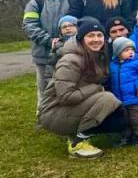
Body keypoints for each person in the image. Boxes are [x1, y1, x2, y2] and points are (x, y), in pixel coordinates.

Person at [37, 18, 126, 158]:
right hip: (53, 111)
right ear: (81, 39)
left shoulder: (98, 56)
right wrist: (96, 88)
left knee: (118, 118)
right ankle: (77, 142)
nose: (96, 39)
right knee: (107, 98)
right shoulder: (70, 61)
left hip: (72, 105)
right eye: (90, 36)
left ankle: (78, 132)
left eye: (99, 35)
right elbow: (65, 96)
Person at [22, 0, 71, 104]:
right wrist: (48, 41)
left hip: (66, 52)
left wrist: (64, 42)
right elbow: (29, 26)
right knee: (43, 88)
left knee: (66, 85)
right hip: (42, 53)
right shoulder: (36, 2)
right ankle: (42, 115)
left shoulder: (72, 1)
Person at [109, 37, 138, 147]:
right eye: (126, 50)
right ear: (118, 52)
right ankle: (125, 136)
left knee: (137, 118)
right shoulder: (112, 65)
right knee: (123, 119)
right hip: (120, 99)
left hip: (137, 98)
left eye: (132, 49)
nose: (130, 52)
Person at [46, 15, 79, 80]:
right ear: (60, 30)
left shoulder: (83, 42)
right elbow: (51, 66)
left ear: (77, 27)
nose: (67, 28)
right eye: (64, 27)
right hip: (62, 78)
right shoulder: (56, 45)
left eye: (71, 25)